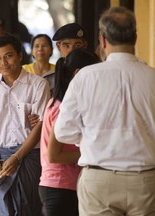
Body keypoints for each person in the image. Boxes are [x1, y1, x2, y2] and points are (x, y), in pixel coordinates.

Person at [52, 7, 155, 215]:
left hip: (99, 180)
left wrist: (90, 136)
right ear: (135, 38)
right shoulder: (152, 77)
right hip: (145, 180)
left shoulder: (84, 77)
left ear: (103, 40)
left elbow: (63, 132)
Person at [0, 34, 50, 215]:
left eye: (8, 56)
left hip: (29, 155)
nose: (4, 63)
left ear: (19, 56)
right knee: (0, 208)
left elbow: (40, 126)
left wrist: (17, 157)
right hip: (0, 156)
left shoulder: (38, 84)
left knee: (28, 207)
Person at [40, 48, 100, 216]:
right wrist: (89, 152)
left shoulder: (63, 102)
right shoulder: (62, 108)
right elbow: (53, 155)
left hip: (65, 186)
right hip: (60, 186)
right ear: (78, 73)